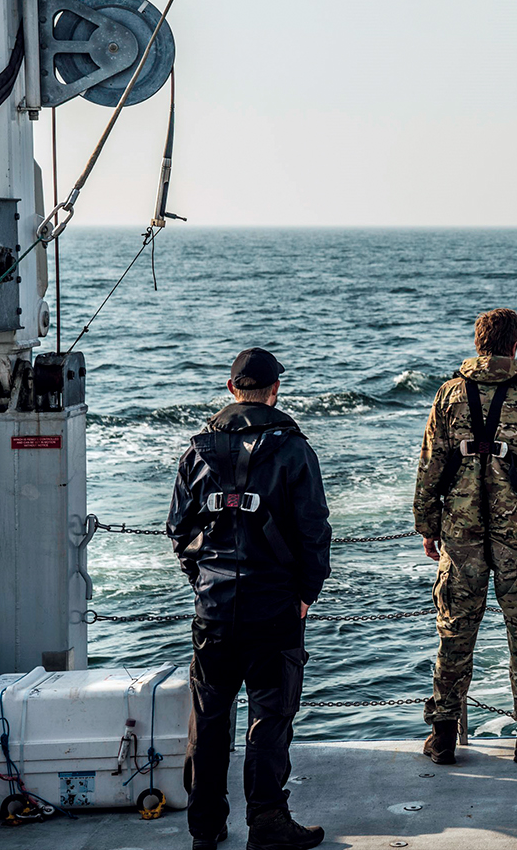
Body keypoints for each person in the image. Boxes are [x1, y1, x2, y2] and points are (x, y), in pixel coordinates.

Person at [167, 348, 332, 850]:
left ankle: (205, 827)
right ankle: (266, 822)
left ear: (231, 388)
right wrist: (306, 594)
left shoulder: (198, 449)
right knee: (270, 716)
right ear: (274, 390)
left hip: (214, 609)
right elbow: (314, 533)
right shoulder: (294, 450)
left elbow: (179, 531)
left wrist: (205, 581)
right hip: (275, 608)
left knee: (210, 719)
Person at [414, 308, 517, 766]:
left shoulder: (448, 396)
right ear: (514, 346)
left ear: (478, 341)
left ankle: (443, 735)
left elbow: (429, 467)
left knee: (454, 631)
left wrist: (427, 526)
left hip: (459, 532)